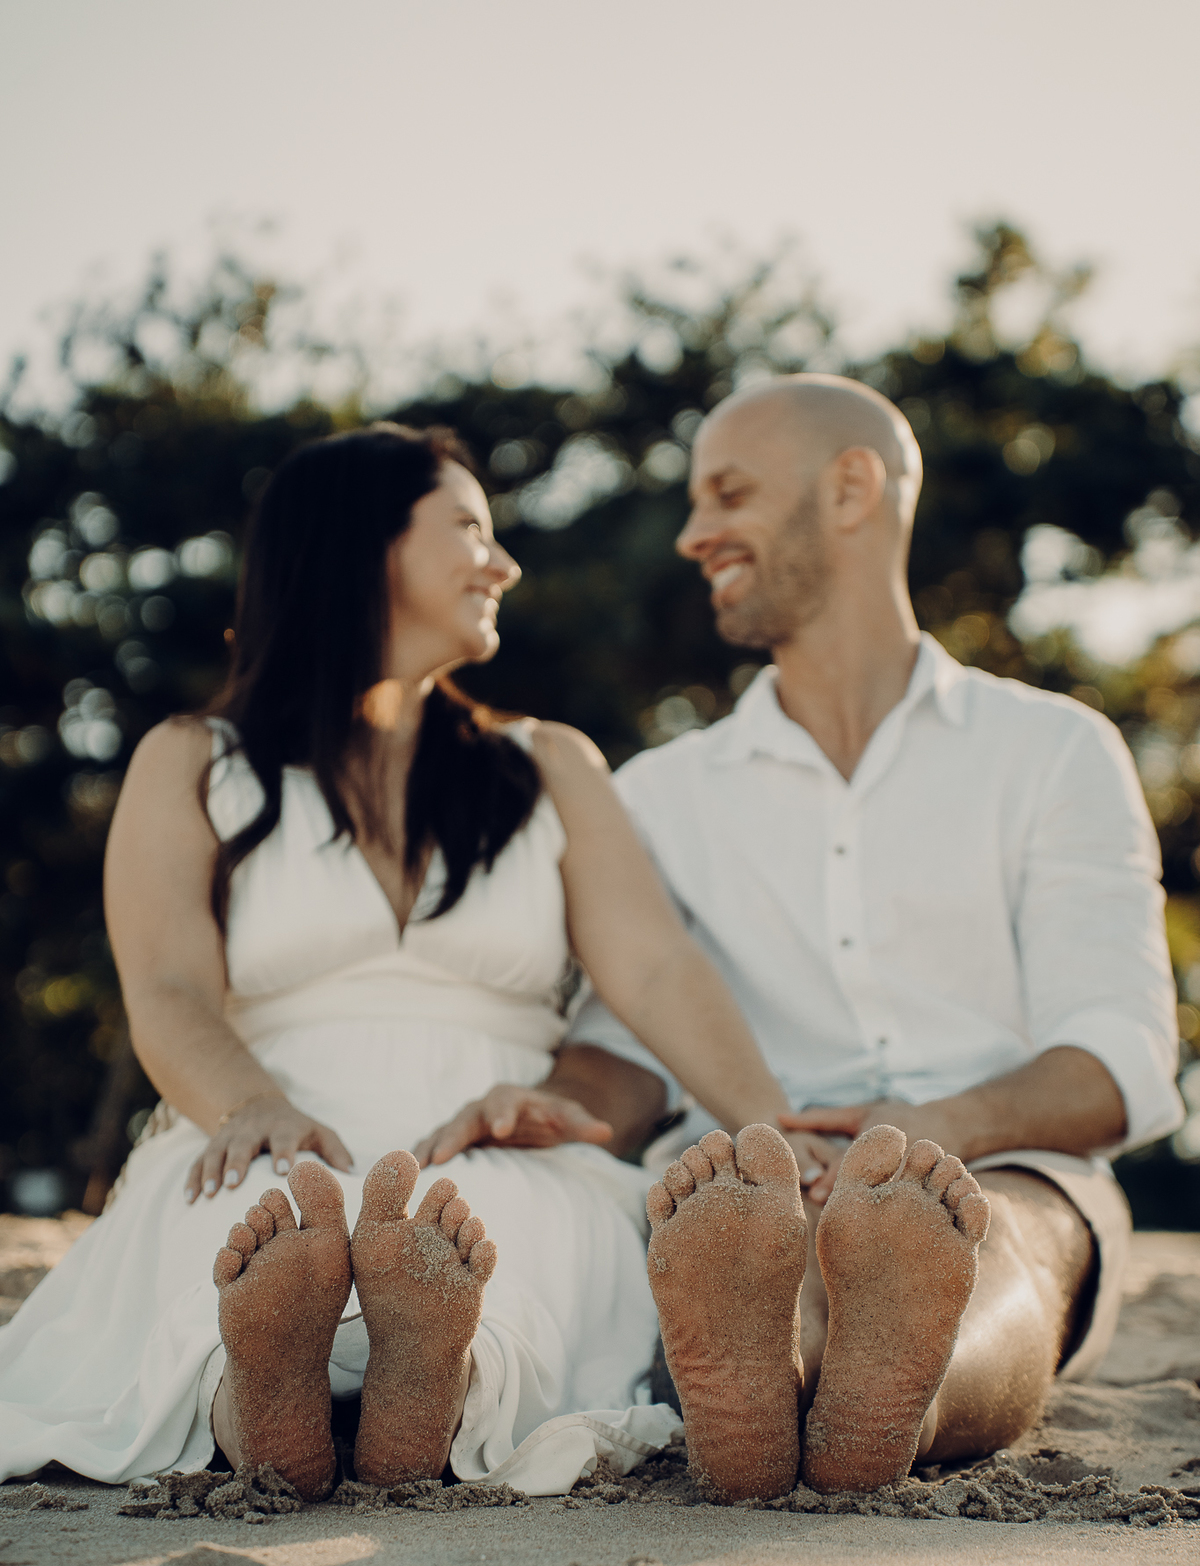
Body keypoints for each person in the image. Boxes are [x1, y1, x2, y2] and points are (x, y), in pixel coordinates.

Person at [0, 421, 815, 1502]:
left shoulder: (552, 765)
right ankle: (263, 1408)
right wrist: (248, 1106)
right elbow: (167, 988)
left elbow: (657, 972)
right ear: (363, 547)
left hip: (488, 1130)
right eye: (470, 529)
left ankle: (433, 1386)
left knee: (499, 1227)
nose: (504, 563)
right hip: (258, 1113)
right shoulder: (191, 761)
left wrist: (777, 1135)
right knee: (258, 1227)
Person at [416, 375, 1183, 1499]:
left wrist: (926, 1136)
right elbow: (624, 1049)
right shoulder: (662, 796)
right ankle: (778, 1376)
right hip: (743, 1175)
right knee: (761, 1234)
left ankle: (882, 1404)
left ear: (853, 488)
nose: (692, 535)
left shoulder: (1055, 752)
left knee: (993, 1242)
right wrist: (565, 1111)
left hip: (1006, 1162)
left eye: (727, 493)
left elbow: (1120, 1057)